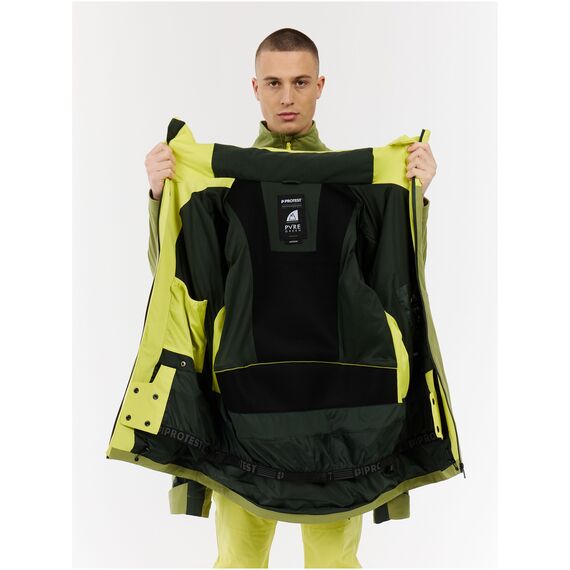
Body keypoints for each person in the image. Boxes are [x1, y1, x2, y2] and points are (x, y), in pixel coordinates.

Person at [142, 27, 437, 569]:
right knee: (238, 562)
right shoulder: (218, 186)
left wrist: (413, 198)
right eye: (274, 83)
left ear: (320, 86)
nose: (287, 97)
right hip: (244, 408)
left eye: (300, 82)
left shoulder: (363, 185)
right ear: (254, 87)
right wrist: (162, 197)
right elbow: (180, 282)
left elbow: (398, 283)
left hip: (343, 412)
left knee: (333, 564)